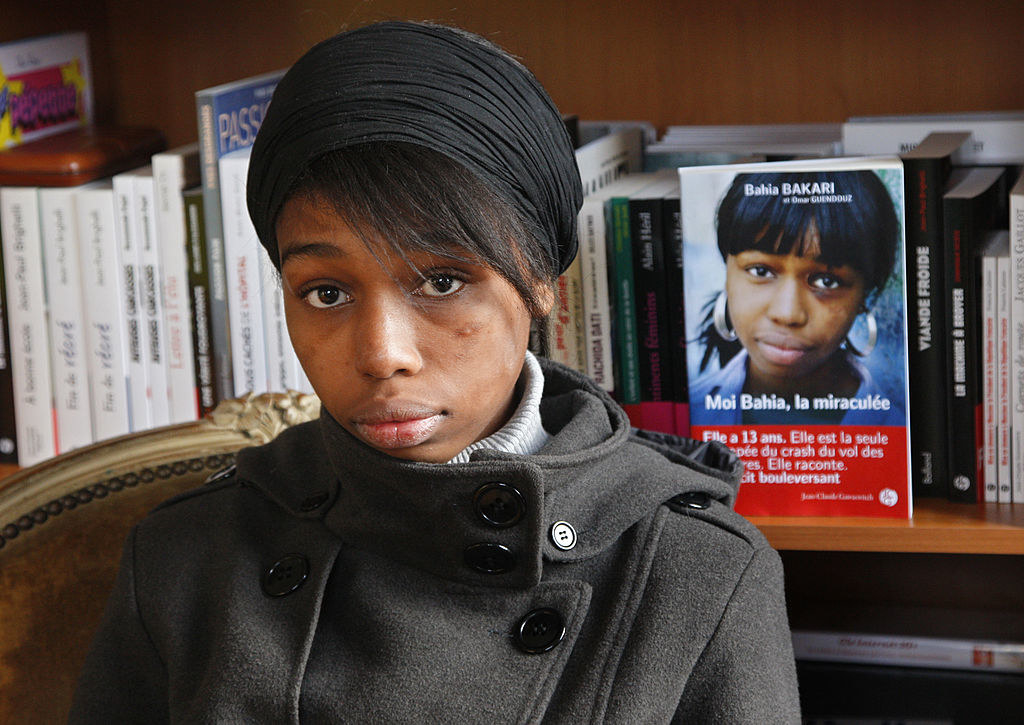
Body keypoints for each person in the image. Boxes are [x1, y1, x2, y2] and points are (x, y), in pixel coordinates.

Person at [69, 21, 800, 723]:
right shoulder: (186, 556)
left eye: (442, 281)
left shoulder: (698, 575)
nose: (383, 352)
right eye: (326, 292)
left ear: (542, 279)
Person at [690, 169, 905, 426]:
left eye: (827, 281)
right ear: (727, 272)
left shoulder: (901, 431)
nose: (787, 313)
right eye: (761, 271)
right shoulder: (687, 417)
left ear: (865, 294)